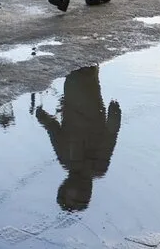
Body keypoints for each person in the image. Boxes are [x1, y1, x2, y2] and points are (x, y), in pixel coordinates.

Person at [35, 66, 123, 211]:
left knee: (80, 68)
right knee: (84, 68)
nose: (72, 191)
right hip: (86, 98)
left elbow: (54, 131)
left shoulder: (68, 161)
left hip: (77, 96)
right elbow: (110, 136)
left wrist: (43, 118)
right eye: (76, 196)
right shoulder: (97, 166)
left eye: (69, 193)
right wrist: (114, 114)